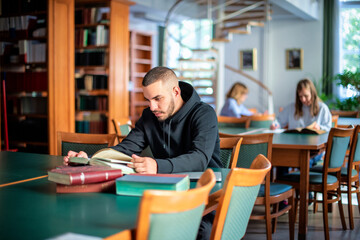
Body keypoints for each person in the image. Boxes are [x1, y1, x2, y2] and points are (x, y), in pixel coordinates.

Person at [64, 66, 222, 240]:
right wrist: (90, 160)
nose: (152, 106)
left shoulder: (204, 114)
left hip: (204, 193)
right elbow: (125, 149)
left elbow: (199, 158)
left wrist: (156, 165)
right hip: (162, 191)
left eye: (157, 98)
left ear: (175, 91)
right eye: (148, 99)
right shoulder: (149, 116)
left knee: (199, 231)